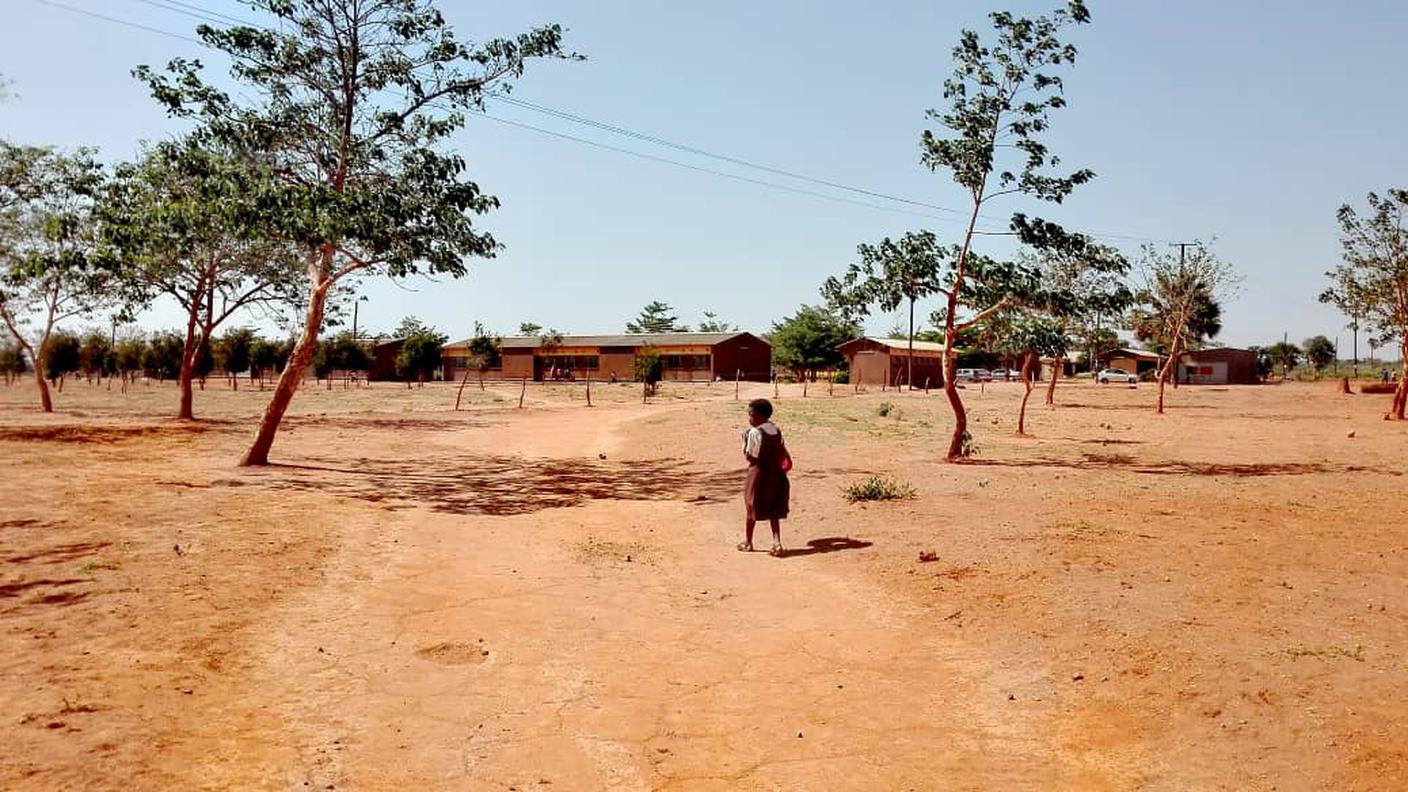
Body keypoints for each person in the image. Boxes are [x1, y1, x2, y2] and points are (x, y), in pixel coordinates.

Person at [739, 398, 791, 557]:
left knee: (751, 505)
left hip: (758, 473)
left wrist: (744, 441)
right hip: (776, 474)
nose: (749, 419)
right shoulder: (776, 430)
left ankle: (748, 541)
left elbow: (750, 457)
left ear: (760, 416)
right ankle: (777, 542)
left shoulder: (754, 433)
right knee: (773, 508)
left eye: (751, 415)